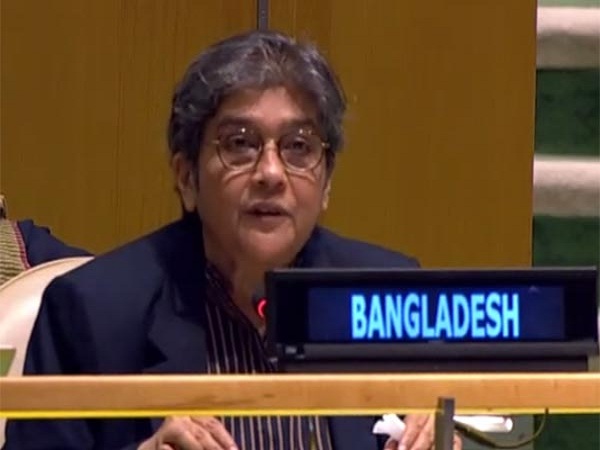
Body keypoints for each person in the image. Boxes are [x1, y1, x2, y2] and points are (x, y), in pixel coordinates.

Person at [3, 31, 462, 450]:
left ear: (326, 184)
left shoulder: (388, 295)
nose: (271, 173)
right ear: (187, 177)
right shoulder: (91, 310)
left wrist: (439, 437)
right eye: (239, 144)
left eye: (299, 147)